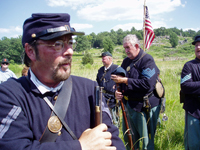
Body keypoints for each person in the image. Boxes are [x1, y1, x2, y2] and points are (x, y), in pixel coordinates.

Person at [0, 13, 125, 150]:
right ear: (31, 51)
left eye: (70, 43)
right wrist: (81, 146)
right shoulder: (9, 95)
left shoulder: (89, 88)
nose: (70, 51)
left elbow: (114, 143)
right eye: (57, 44)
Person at [111, 34, 161, 150]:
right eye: (124, 48)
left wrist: (125, 80)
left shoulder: (147, 60)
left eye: (128, 47)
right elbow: (119, 80)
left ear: (137, 46)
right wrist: (117, 91)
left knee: (145, 142)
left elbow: (147, 84)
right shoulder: (126, 61)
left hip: (143, 107)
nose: (126, 51)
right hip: (128, 106)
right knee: (130, 139)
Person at [180, 35, 200, 150]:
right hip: (194, 110)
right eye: (197, 45)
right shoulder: (189, 66)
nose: (198, 47)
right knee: (193, 145)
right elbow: (185, 86)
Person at [96, 51, 120, 127]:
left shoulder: (117, 69)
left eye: (104, 58)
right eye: (102, 59)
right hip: (102, 97)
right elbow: (97, 82)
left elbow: (121, 83)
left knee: (114, 120)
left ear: (110, 59)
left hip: (113, 99)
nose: (102, 60)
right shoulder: (100, 70)